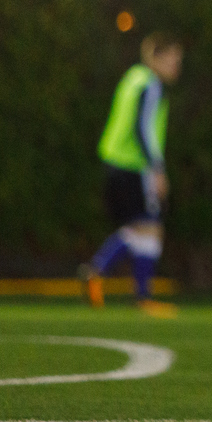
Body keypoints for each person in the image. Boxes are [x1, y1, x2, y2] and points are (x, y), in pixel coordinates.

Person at [81, 32, 182, 317]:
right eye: (174, 59)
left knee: (139, 227)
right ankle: (139, 294)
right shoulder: (150, 84)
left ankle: (99, 274)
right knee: (149, 227)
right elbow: (143, 129)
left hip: (114, 160)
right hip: (134, 165)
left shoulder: (132, 78)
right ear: (157, 58)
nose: (177, 66)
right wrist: (157, 168)